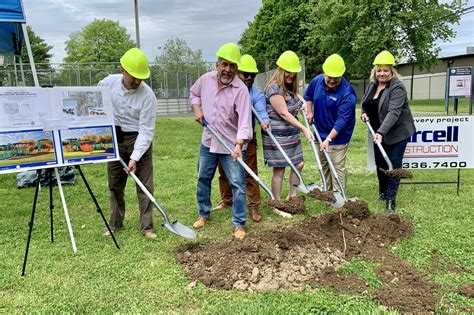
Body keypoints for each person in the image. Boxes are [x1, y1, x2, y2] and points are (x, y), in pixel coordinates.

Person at [190, 42, 252, 240]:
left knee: (238, 183)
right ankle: (203, 213)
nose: (228, 69)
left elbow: (244, 121)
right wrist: (197, 110)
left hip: (230, 144)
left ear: (236, 68)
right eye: (224, 64)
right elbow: (194, 93)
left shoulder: (240, 90)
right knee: (203, 177)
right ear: (217, 65)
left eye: (232, 66)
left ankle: (239, 223)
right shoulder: (205, 80)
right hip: (209, 140)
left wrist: (239, 145)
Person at [99, 47, 158, 239]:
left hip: (138, 137)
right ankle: (115, 224)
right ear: (122, 70)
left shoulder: (147, 96)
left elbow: (146, 131)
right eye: (133, 76)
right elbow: (94, 98)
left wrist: (134, 157)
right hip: (114, 135)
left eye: (141, 77)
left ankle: (147, 227)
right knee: (115, 183)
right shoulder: (108, 84)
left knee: (144, 184)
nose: (137, 81)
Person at [212, 54, 270, 223]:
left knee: (250, 172)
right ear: (237, 72)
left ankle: (253, 205)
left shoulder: (256, 94)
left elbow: (261, 109)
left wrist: (265, 121)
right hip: (225, 137)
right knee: (223, 171)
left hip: (246, 138)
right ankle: (227, 200)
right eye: (246, 74)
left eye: (252, 75)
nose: (249, 78)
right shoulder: (226, 89)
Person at [360, 50, 415, 212]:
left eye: (385, 70)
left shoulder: (397, 87)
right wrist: (364, 113)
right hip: (378, 133)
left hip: (396, 134)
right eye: (379, 70)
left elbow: (394, 112)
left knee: (393, 165)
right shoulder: (372, 85)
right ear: (375, 72)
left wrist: (382, 132)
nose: (382, 73)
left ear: (392, 71)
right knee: (380, 164)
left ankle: (391, 199)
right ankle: (383, 193)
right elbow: (365, 103)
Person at [262, 50, 314, 217]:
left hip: (290, 135)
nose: (291, 74)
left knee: (298, 164)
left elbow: (296, 98)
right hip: (277, 135)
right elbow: (284, 113)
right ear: (280, 70)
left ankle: (292, 197)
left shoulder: (289, 89)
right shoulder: (274, 89)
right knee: (279, 169)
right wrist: (305, 128)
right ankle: (276, 204)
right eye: (287, 71)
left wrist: (304, 103)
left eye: (293, 72)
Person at [304, 54, 356, 192]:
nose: (332, 80)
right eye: (329, 77)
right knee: (323, 164)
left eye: (336, 78)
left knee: (337, 166)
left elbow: (341, 121)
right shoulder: (317, 81)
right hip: (319, 131)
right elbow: (308, 95)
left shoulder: (347, 94)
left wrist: (328, 139)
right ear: (324, 73)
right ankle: (327, 192)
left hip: (338, 136)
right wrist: (309, 111)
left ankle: (339, 195)